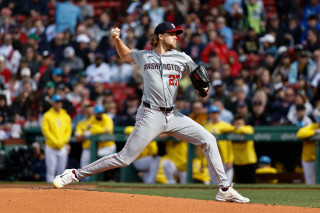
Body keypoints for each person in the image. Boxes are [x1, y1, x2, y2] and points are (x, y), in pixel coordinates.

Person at [53, 22, 249, 203]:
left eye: (176, 34)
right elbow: (125, 55)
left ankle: (224, 189)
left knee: (209, 139)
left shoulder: (182, 57)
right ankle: (74, 174)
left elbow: (200, 79)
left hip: (174, 115)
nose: (176, 37)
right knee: (124, 158)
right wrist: (117, 39)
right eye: (172, 34)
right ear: (161, 36)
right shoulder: (145, 55)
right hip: (150, 114)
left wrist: (204, 88)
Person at [41, 94, 72, 183]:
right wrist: (55, 141)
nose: (58, 104)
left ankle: (60, 192)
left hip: (62, 146)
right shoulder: (47, 115)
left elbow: (68, 131)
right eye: (56, 102)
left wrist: (62, 142)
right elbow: (46, 131)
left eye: (60, 102)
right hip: (51, 146)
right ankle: (49, 194)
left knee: (61, 171)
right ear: (53, 103)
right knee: (51, 170)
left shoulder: (66, 116)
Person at [232, 115, 257, 183]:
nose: (239, 126)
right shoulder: (231, 131)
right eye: (237, 124)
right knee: (240, 186)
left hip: (249, 161)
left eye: (241, 124)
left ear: (244, 124)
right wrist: (234, 129)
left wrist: (236, 128)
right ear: (233, 124)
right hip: (238, 162)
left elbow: (247, 131)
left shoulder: (248, 128)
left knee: (252, 184)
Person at [296, 116, 320, 184]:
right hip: (309, 158)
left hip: (318, 158)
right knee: (310, 182)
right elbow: (300, 134)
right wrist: (314, 131)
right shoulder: (312, 126)